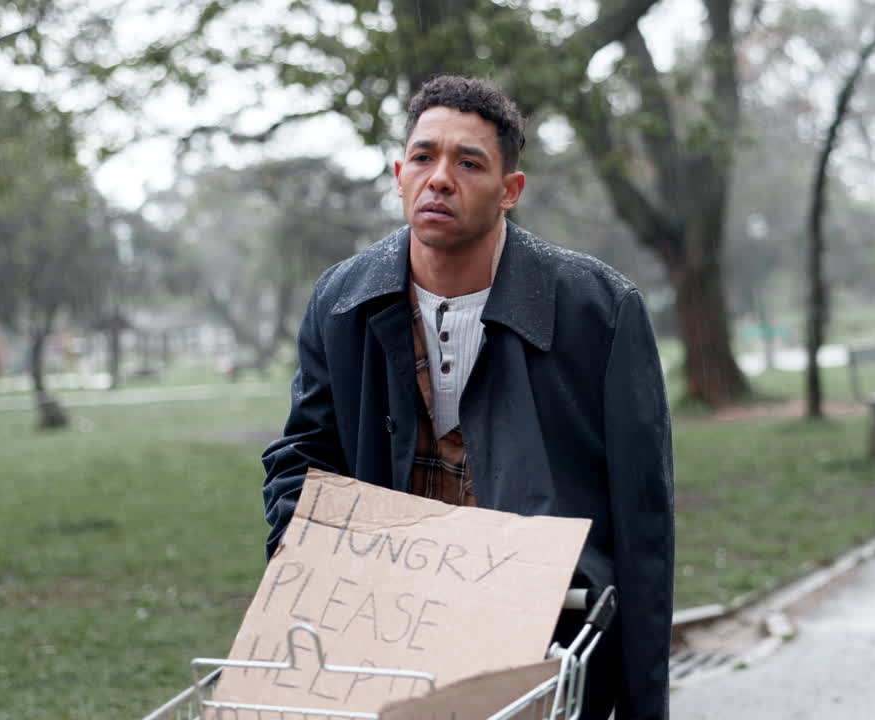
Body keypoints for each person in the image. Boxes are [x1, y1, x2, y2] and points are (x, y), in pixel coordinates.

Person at [261, 75, 673, 720]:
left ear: (510, 191)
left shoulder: (603, 309)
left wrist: (643, 705)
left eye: (469, 162)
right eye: (424, 157)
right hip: (386, 624)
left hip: (547, 635)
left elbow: (643, 517)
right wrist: (305, 554)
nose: (440, 177)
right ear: (400, 174)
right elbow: (306, 451)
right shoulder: (338, 300)